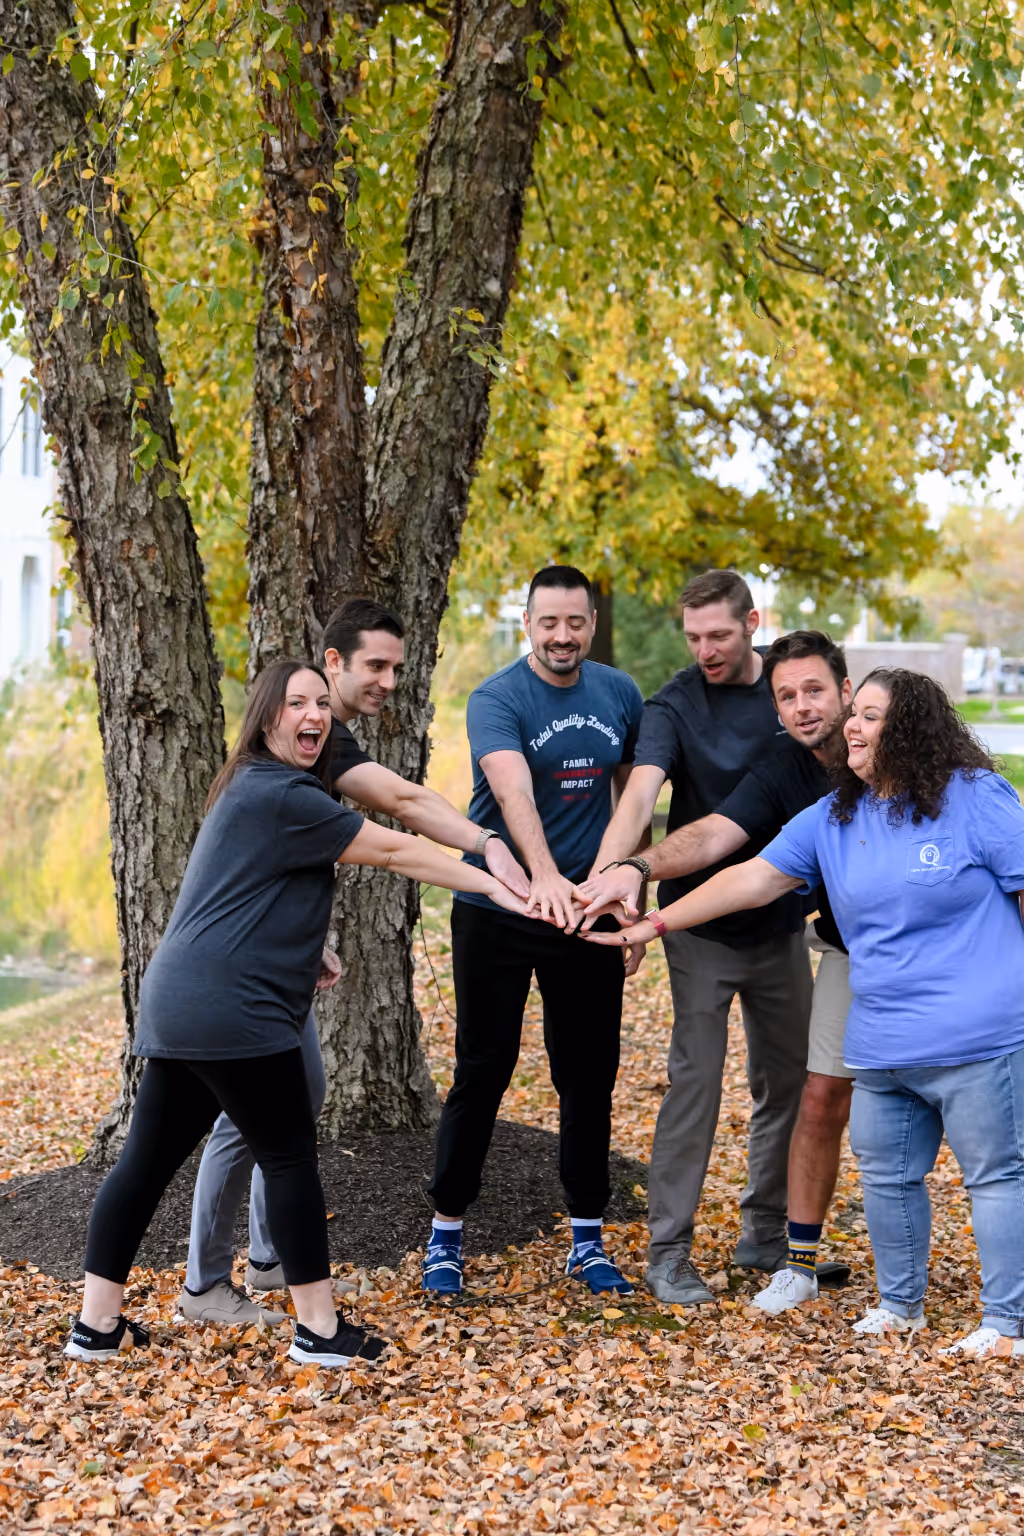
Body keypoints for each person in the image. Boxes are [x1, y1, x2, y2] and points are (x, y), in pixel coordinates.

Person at [65, 659, 534, 1367]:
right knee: (287, 1159)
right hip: (235, 1011)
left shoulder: (249, 787)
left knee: (144, 1164)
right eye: (295, 703)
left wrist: (303, 951)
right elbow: (398, 848)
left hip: (180, 1001)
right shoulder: (284, 793)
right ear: (267, 717)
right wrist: (500, 885)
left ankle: (95, 1327)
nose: (313, 715)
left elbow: (239, 894)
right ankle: (318, 1330)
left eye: (322, 704)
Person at [588, 669, 1024, 1355]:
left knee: (994, 1177)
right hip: (883, 1040)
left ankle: (1004, 1323)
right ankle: (901, 1306)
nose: (853, 726)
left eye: (872, 717)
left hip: (978, 1036)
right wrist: (657, 923)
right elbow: (752, 876)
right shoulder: (835, 816)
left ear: (911, 728)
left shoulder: (975, 799)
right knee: (886, 1174)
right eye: (858, 714)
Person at [180, 599, 530, 1327]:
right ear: (332, 663)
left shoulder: (312, 740)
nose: (389, 682)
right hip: (235, 979)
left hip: (277, 964)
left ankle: (272, 1260)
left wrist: (308, 944)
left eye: (397, 668)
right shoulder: (312, 740)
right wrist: (487, 847)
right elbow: (399, 808)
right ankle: (205, 1282)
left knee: (298, 1099)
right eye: (376, 666)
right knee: (239, 1124)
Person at [579, 630, 855, 1316]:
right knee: (695, 1085)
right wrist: (631, 869)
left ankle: (767, 1237)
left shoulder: (875, 757)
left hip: (783, 937)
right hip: (703, 929)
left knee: (791, 1087)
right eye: (788, 695)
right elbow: (711, 834)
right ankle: (667, 1252)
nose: (799, 705)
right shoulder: (774, 762)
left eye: (812, 690)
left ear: (846, 691)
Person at [422, 565, 645, 1297]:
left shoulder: (619, 693)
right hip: (502, 909)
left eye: (575, 622)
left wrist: (622, 891)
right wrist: (541, 875)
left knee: (588, 1076)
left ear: (589, 624)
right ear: (527, 624)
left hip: (584, 914)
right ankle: (446, 1235)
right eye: (548, 622)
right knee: (484, 1068)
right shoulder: (497, 698)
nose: (562, 635)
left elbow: (629, 795)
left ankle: (587, 1238)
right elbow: (511, 787)